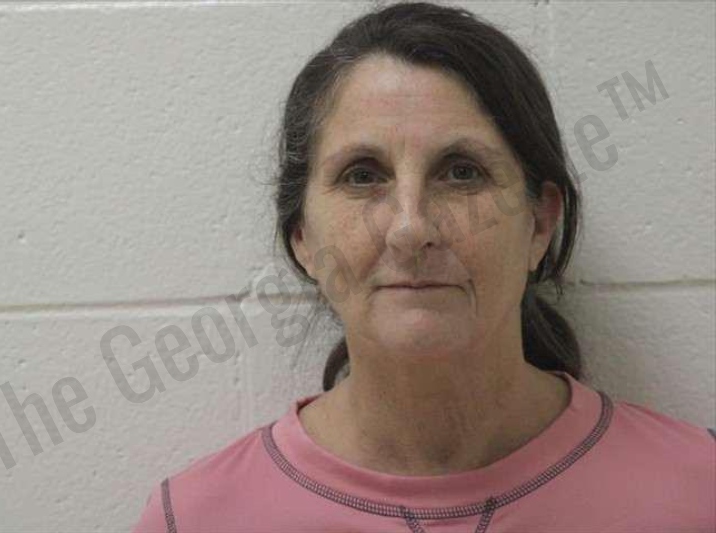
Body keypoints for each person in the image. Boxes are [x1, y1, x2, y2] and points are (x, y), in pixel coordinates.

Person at [131, 2, 715, 531]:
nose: (411, 229)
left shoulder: (698, 492)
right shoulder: (195, 520)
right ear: (302, 236)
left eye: (461, 172)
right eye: (363, 175)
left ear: (540, 223)